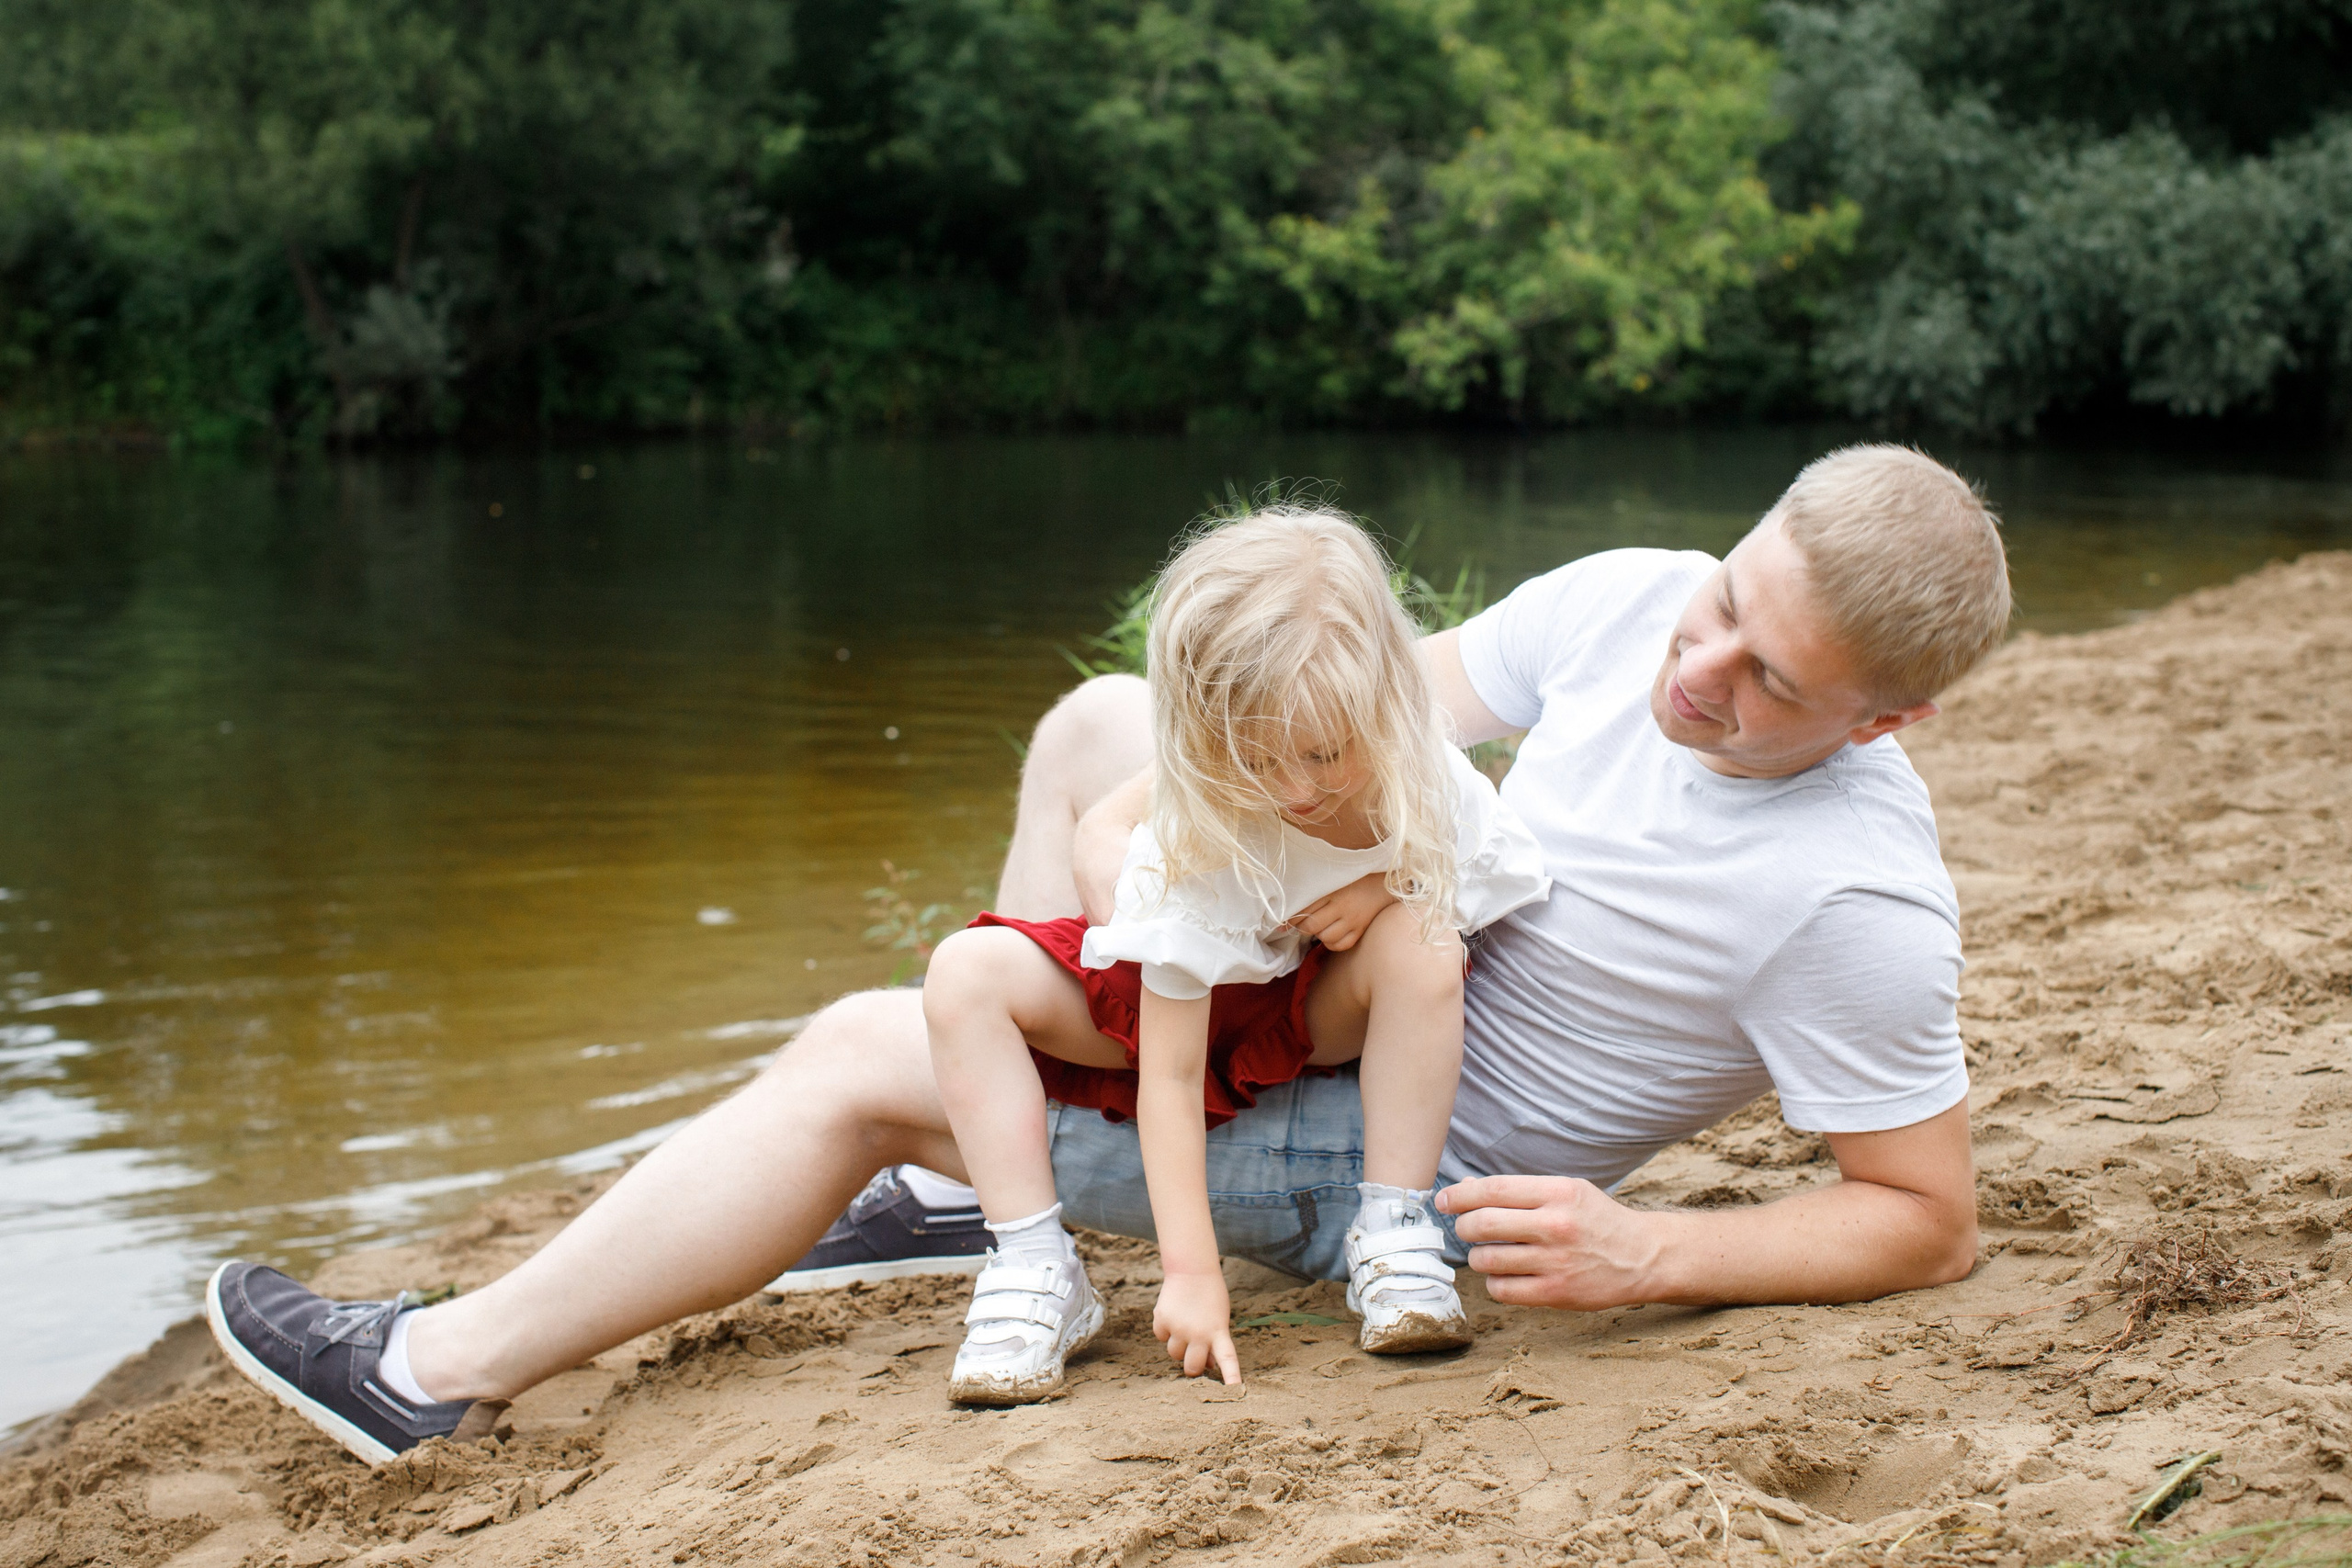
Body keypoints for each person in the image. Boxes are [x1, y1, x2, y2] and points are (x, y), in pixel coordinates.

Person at [205, 443, 2007, 1466]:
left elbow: (1922, 1215)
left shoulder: (1847, 902)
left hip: (1376, 1142)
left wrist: (1646, 1247)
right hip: (1314, 994)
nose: (1694, 668)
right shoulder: (1634, 596)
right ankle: (1006, 1181)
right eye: (1722, 605)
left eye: (1768, 679)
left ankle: (422, 1372)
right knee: (1090, 724)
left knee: (852, 1049)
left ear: (1884, 717)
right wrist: (1136, 850)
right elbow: (1363, 720)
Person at [926, 512, 1547, 1404]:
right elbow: (1171, 1076)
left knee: (1424, 932)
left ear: (1385, 702)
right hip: (1171, 997)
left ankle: (1391, 1228)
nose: (1295, 790)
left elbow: (1503, 864)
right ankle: (1032, 1261)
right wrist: (1191, 1272)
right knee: (962, 970)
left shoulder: (1422, 769)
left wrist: (1384, 889)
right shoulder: (1197, 825)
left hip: (1307, 1008)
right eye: (1256, 758)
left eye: (1326, 754)